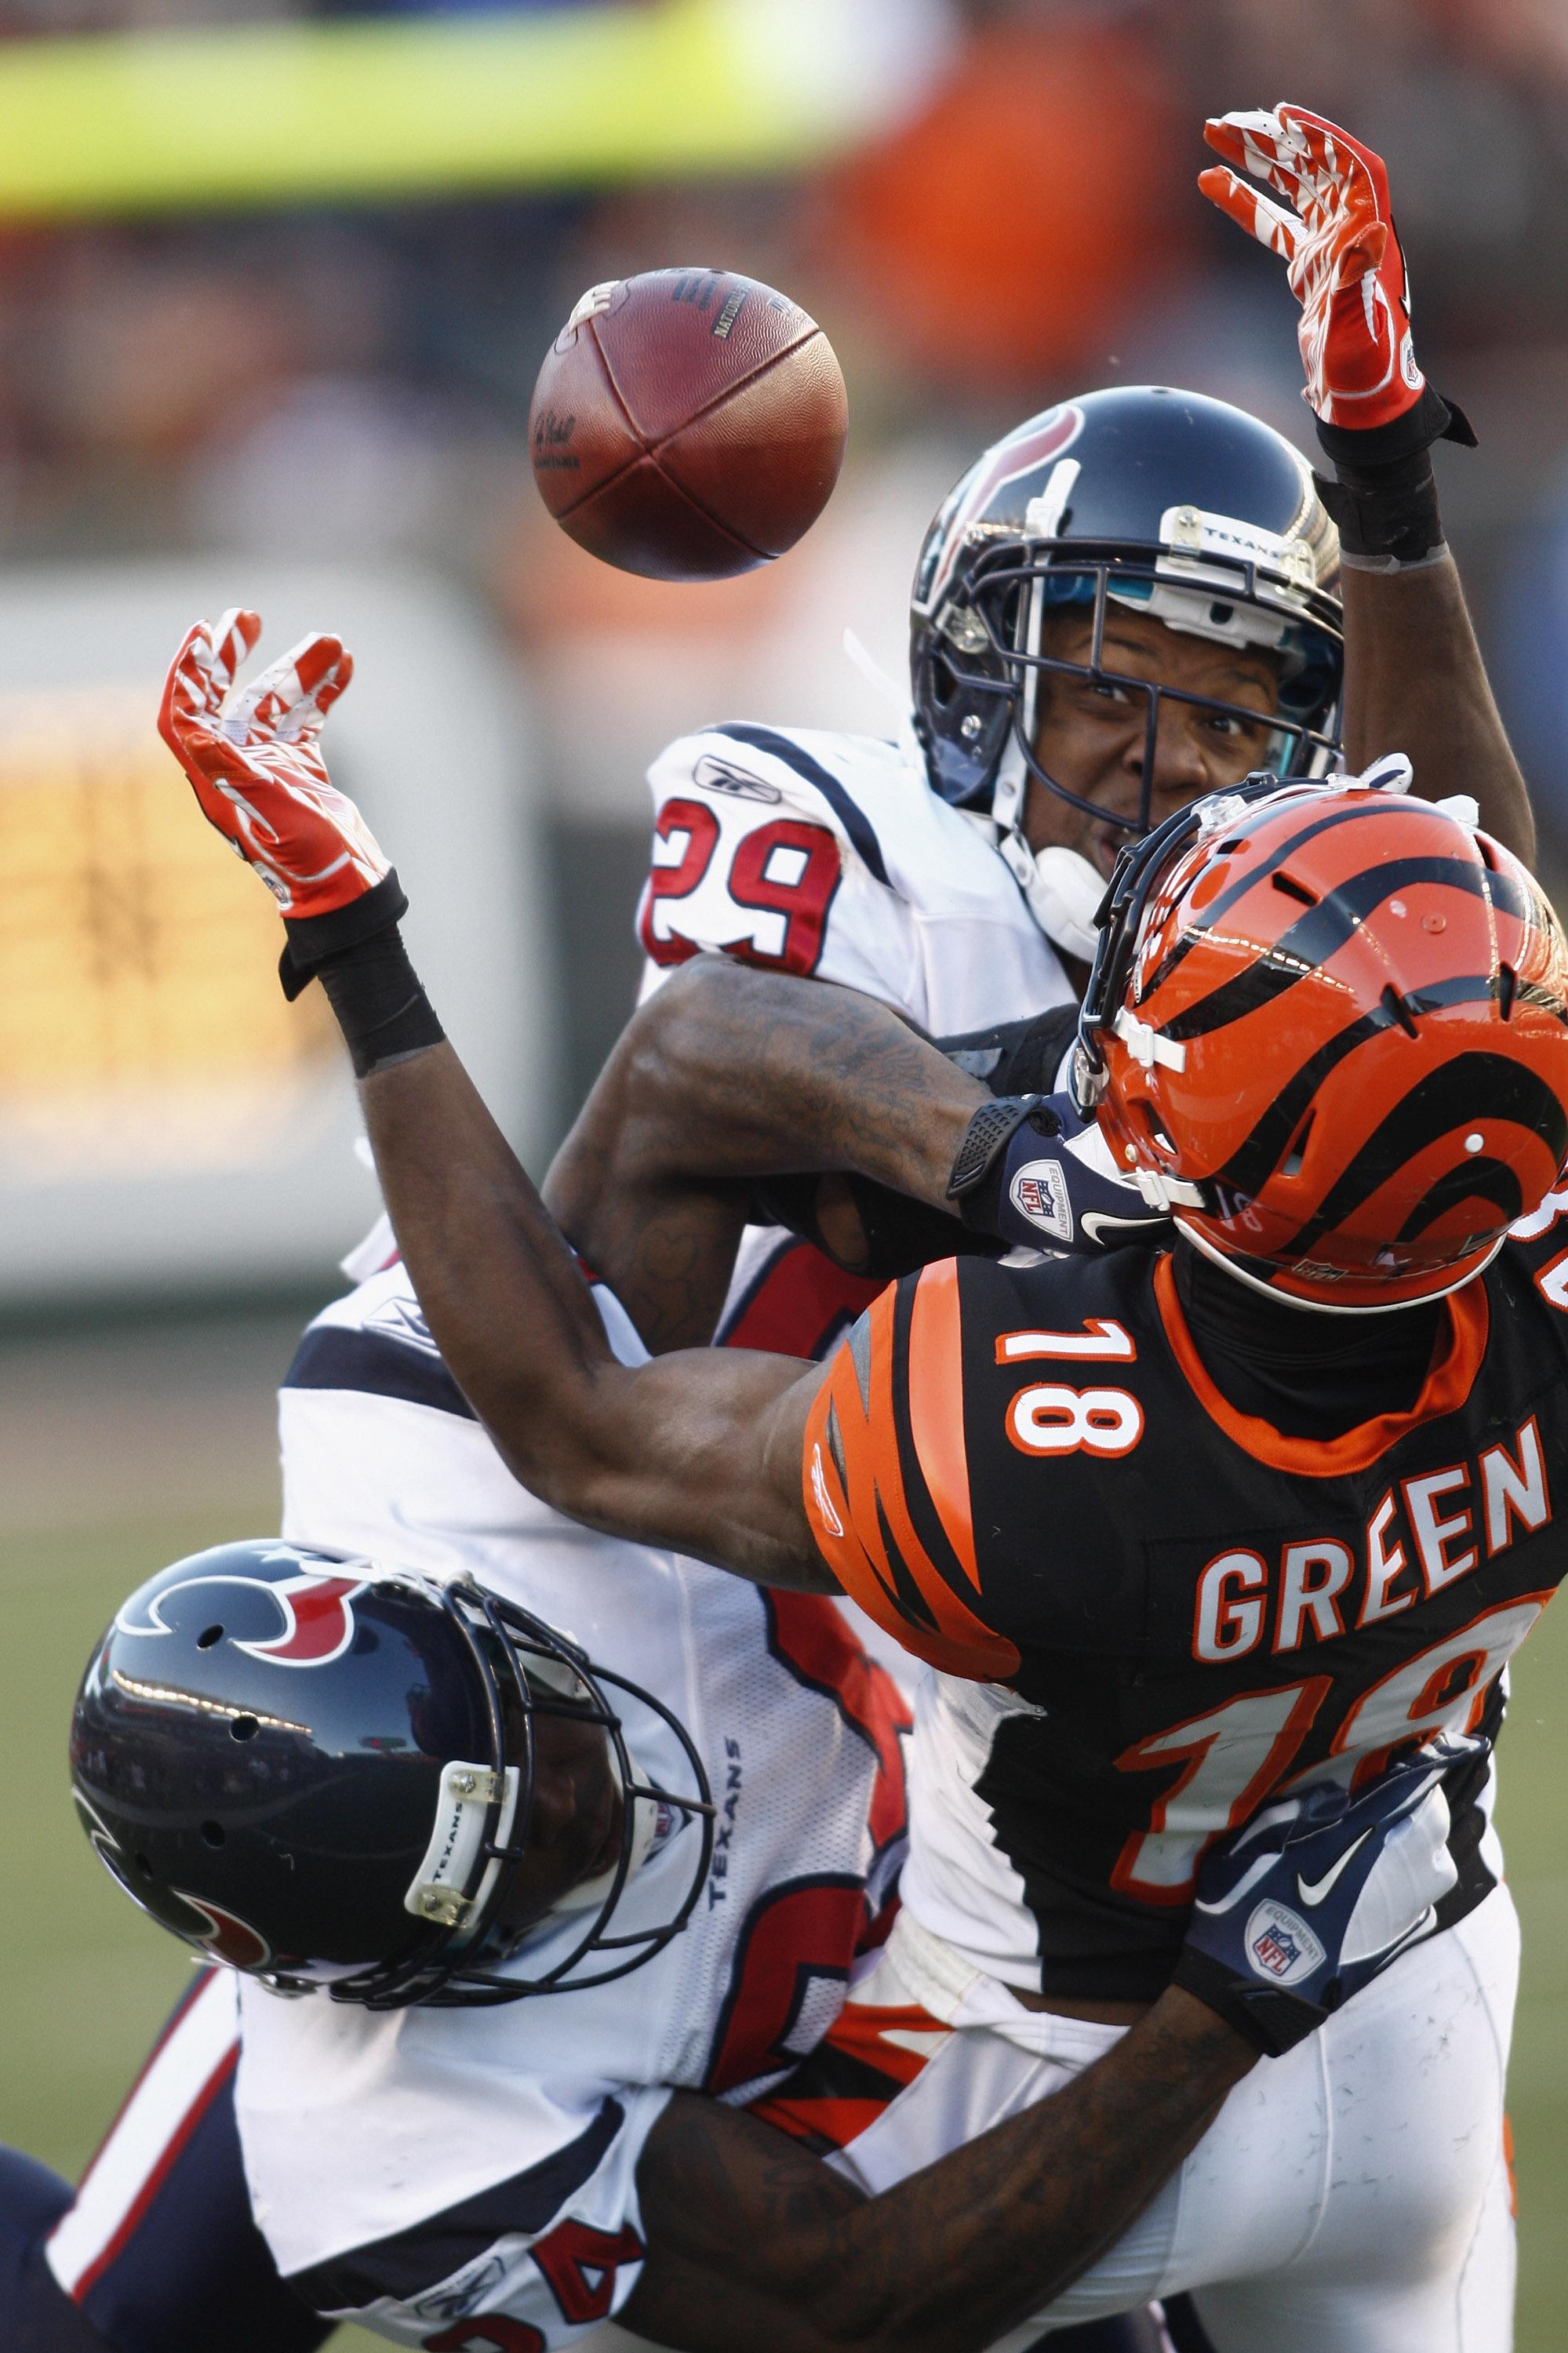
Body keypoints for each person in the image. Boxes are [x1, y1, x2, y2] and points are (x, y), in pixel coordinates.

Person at [149, 108, 1568, 2353]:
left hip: (971, 1793)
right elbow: (1472, 936)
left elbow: (581, 1404)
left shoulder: (1018, 1434)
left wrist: (354, 926)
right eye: (1113, 690)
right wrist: (1380, 470)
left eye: (1221, 718)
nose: (1164, 768)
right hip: (1396, 1954)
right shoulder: (1514, 1251)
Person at [12, 1271, 1453, 2353]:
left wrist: (1004, 1150)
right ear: (389, 1982)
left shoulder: (441, 1454)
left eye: (547, 1746)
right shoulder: (389, 2138)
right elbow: (850, 2304)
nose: (603, 1808)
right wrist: (1231, 1999)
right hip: (825, 2115)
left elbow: (693, 1077)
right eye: (528, 1864)